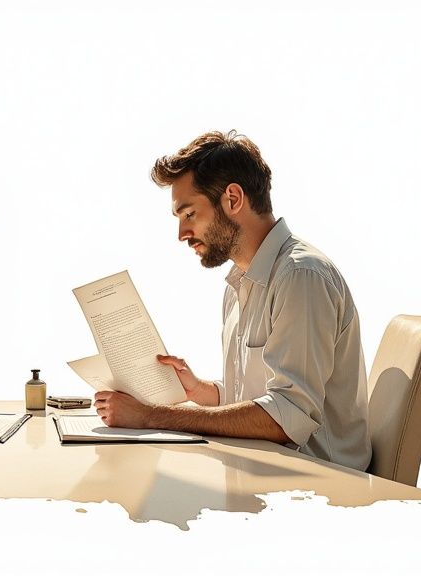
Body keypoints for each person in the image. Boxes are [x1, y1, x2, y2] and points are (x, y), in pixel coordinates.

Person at [94, 131, 371, 471]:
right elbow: (256, 398)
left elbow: (286, 418)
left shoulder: (302, 277)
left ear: (233, 199)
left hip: (313, 488)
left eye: (189, 214)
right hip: (262, 473)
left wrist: (151, 417)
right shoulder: (240, 283)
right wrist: (201, 391)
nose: (181, 234)